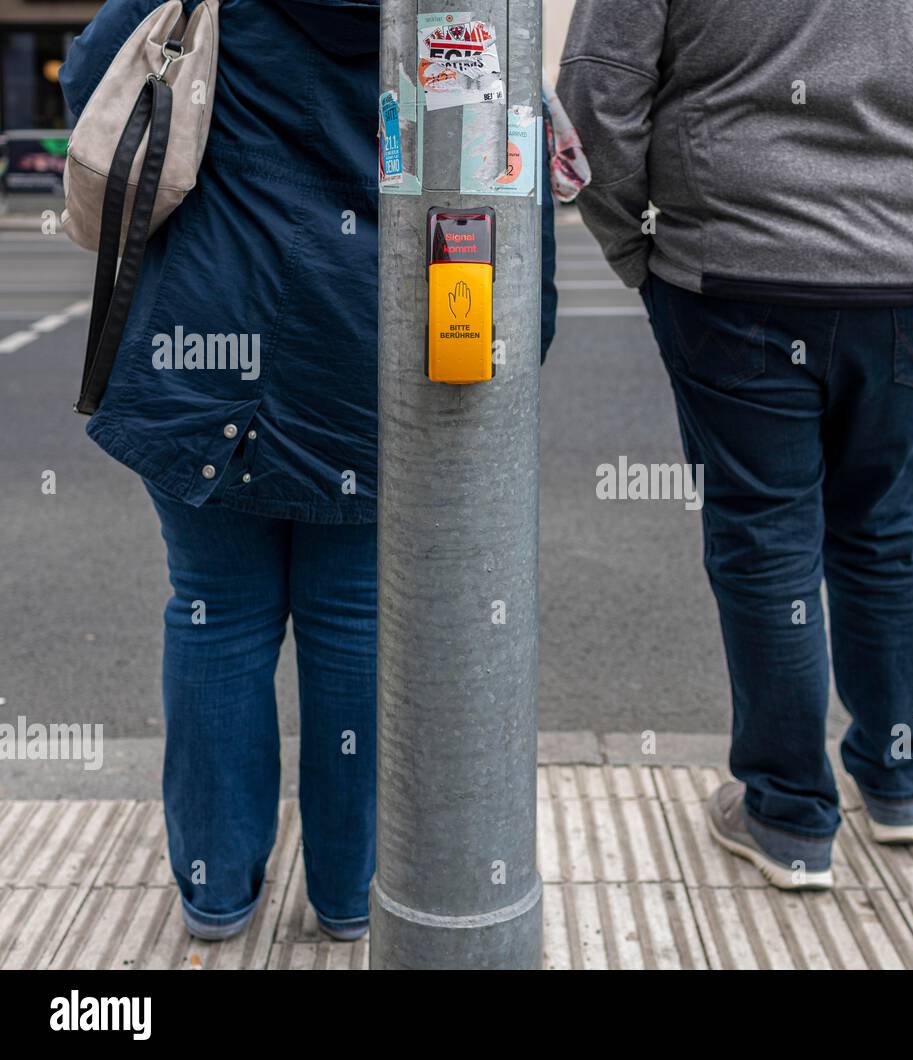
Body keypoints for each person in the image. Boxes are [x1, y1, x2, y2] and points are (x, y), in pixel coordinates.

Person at [61, 0, 559, 941]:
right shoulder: (454, 11)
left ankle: (216, 891)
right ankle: (348, 894)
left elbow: (99, 78)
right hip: (374, 347)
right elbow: (502, 160)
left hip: (208, 326)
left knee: (214, 612)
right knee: (358, 626)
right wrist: (525, 330)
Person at [558, 0, 913, 890]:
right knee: (881, 531)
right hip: (905, 268)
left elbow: (602, 94)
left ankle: (790, 816)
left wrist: (635, 247)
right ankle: (899, 782)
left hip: (733, 268)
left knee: (764, 542)